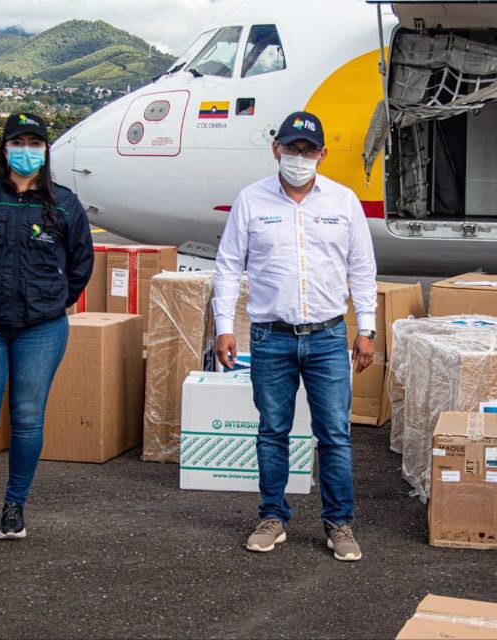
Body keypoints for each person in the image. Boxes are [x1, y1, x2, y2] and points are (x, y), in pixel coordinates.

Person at [212, 111, 378, 562]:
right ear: (276, 150)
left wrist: (367, 328)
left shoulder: (343, 203)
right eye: (291, 149)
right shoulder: (251, 201)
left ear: (322, 154)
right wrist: (223, 326)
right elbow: (228, 266)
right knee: (272, 431)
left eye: (308, 151)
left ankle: (339, 524)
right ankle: (273, 517)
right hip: (271, 337)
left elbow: (362, 270)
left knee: (335, 435)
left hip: (327, 336)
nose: (299, 158)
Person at [0, 113, 94, 541]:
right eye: (18, 141)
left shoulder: (64, 203)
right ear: (4, 148)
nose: (26, 150)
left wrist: (51, 302)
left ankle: (14, 506)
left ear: (46, 151)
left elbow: (81, 264)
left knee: (27, 419)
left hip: (41, 329)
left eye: (35, 142)